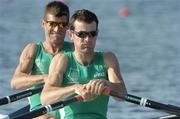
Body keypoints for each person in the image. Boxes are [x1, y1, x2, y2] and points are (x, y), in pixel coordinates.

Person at [41, 9, 127, 119]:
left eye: (92, 34)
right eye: (81, 34)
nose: (87, 39)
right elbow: (45, 98)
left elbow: (123, 96)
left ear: (97, 34)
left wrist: (107, 84)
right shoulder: (62, 60)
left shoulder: (108, 59)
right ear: (70, 35)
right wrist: (74, 88)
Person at [10, 1, 73, 119]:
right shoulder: (33, 50)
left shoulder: (75, 51)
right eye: (52, 24)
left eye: (62, 25)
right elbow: (15, 82)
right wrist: (46, 78)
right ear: (43, 23)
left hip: (69, 110)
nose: (56, 29)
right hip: (41, 113)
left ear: (68, 26)